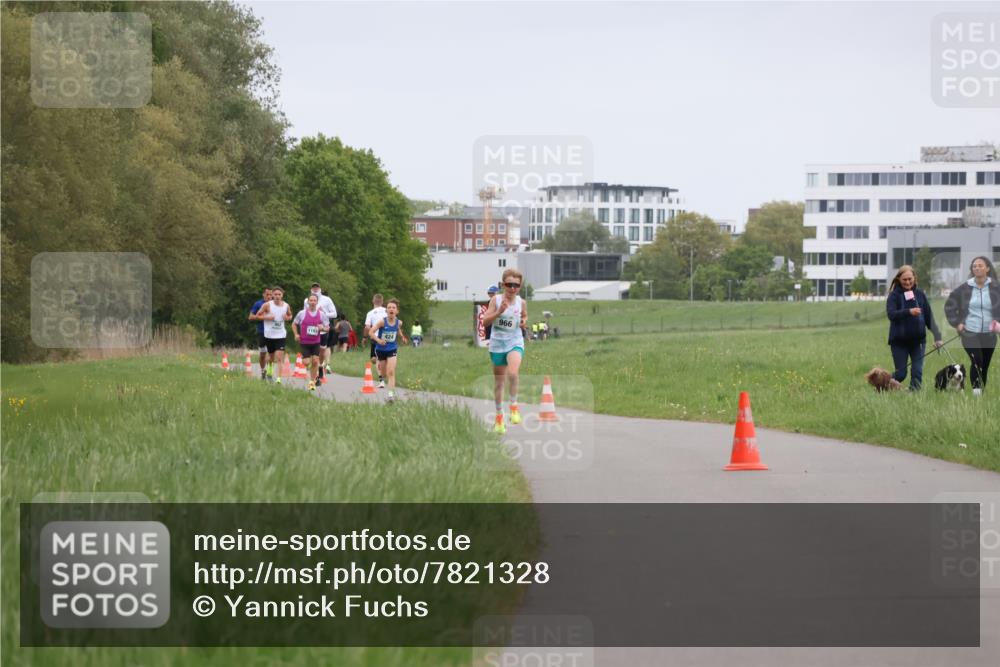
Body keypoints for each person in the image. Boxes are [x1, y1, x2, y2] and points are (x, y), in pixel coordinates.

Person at [945, 256, 1000, 396]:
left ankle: (981, 393)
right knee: (977, 361)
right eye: (974, 266)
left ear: (987, 268)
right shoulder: (965, 288)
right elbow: (949, 306)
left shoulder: (996, 287)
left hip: (990, 333)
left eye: (980, 265)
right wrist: (957, 323)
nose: (977, 268)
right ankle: (976, 395)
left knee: (985, 365)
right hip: (969, 331)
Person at [481, 268, 527, 434]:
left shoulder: (521, 302)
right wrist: (499, 312)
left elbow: (525, 316)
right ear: (503, 285)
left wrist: (523, 322)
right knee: (499, 382)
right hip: (497, 344)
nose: (512, 288)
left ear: (520, 286)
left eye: (516, 285)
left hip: (514, 341)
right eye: (509, 284)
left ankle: (514, 406)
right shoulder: (496, 300)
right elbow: (485, 321)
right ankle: (499, 417)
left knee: (513, 373)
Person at [885, 265, 942, 391]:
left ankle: (913, 395)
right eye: (904, 279)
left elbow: (929, 318)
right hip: (899, 342)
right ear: (899, 279)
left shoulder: (920, 295)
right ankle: (882, 386)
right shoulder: (894, 296)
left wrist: (938, 337)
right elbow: (891, 315)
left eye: (910, 279)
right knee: (901, 374)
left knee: (917, 372)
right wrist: (909, 312)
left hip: (918, 342)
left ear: (914, 278)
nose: (907, 282)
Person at [370, 298, 409, 402]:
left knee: (391, 372)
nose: (391, 309)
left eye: (393, 308)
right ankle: (380, 370)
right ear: (386, 310)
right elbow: (371, 332)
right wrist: (378, 340)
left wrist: (402, 337)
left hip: (392, 349)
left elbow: (398, 330)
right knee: (383, 374)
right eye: (389, 307)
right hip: (381, 350)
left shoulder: (399, 322)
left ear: (397, 311)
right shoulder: (382, 322)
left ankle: (391, 396)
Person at [292, 293, 332, 391]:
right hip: (304, 342)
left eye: (315, 301)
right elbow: (294, 324)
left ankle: (312, 382)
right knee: (306, 363)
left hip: (316, 342)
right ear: (308, 302)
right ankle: (311, 371)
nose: (313, 302)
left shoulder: (321, 314)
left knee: (315, 361)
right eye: (311, 300)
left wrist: (323, 328)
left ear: (317, 302)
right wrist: (296, 334)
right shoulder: (302, 313)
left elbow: (328, 328)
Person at [255, 286, 292, 383]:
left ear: (282, 295)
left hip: (281, 335)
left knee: (279, 358)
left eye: (279, 294)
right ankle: (269, 371)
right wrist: (267, 317)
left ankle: (279, 379)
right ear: (272, 295)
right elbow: (258, 315)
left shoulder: (286, 305)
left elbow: (290, 315)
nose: (277, 296)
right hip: (269, 335)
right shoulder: (267, 305)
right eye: (275, 294)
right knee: (271, 358)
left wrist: (287, 318)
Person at [304, 282, 337, 383]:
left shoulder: (327, 299)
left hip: (323, 330)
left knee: (322, 352)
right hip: (311, 330)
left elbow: (334, 314)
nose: (315, 289)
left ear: (320, 289)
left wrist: (324, 312)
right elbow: (304, 314)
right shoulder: (306, 300)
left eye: (317, 287)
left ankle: (320, 366)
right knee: (313, 355)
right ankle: (316, 373)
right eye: (313, 288)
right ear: (311, 289)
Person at [364, 294, 388, 388]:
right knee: (384, 358)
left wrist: (365, 337)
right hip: (387, 338)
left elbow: (367, 327)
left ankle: (382, 380)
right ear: (382, 302)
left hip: (375, 337)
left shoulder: (370, 313)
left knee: (375, 359)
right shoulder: (387, 310)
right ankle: (385, 373)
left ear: (373, 301)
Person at [248, 287, 271, 380]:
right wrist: (262, 317)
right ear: (263, 294)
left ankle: (270, 372)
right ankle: (263, 371)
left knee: (272, 354)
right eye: (267, 294)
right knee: (263, 354)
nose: (269, 296)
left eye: (271, 295)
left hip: (273, 333)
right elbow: (250, 317)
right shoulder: (258, 304)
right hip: (262, 332)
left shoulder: (276, 304)